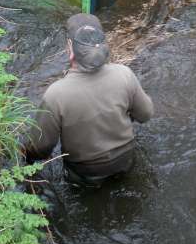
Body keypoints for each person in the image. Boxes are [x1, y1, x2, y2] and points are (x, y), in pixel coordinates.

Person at [23, 13, 154, 186]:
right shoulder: (124, 74)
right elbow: (146, 114)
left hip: (86, 174)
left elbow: (40, 149)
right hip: (126, 161)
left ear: (70, 48)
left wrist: (23, 154)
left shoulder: (56, 94)